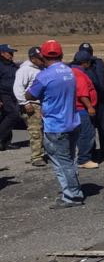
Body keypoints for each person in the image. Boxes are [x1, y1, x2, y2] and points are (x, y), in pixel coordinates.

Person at [26, 40, 84, 208]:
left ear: (43, 56)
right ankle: (73, 190)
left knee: (61, 162)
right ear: (61, 54)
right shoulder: (69, 71)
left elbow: (30, 95)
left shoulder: (44, 76)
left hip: (55, 125)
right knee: (70, 159)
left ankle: (72, 195)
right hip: (73, 122)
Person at [78, 42, 104, 159]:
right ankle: (91, 152)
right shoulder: (78, 67)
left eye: (89, 53)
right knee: (89, 129)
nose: (87, 55)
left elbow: (103, 75)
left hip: (101, 100)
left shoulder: (99, 63)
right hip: (87, 102)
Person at [14, 46, 46, 166]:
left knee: (45, 130)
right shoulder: (25, 70)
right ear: (33, 58)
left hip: (42, 103)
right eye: (40, 58)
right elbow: (17, 87)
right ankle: (36, 157)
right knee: (35, 131)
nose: (43, 60)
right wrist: (24, 103)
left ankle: (44, 153)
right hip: (31, 105)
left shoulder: (41, 68)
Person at [70, 50, 99, 169]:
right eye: (89, 62)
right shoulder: (80, 74)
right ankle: (83, 159)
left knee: (81, 134)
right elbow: (82, 94)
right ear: (85, 63)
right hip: (82, 109)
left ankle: (82, 157)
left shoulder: (72, 71)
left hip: (76, 108)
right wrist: (90, 106)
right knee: (87, 134)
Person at [0, 44, 19, 151]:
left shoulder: (12, 65)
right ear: (2, 53)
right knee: (13, 114)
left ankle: (6, 142)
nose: (12, 55)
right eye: (9, 53)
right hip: (3, 94)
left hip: (12, 94)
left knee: (6, 116)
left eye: (12, 53)